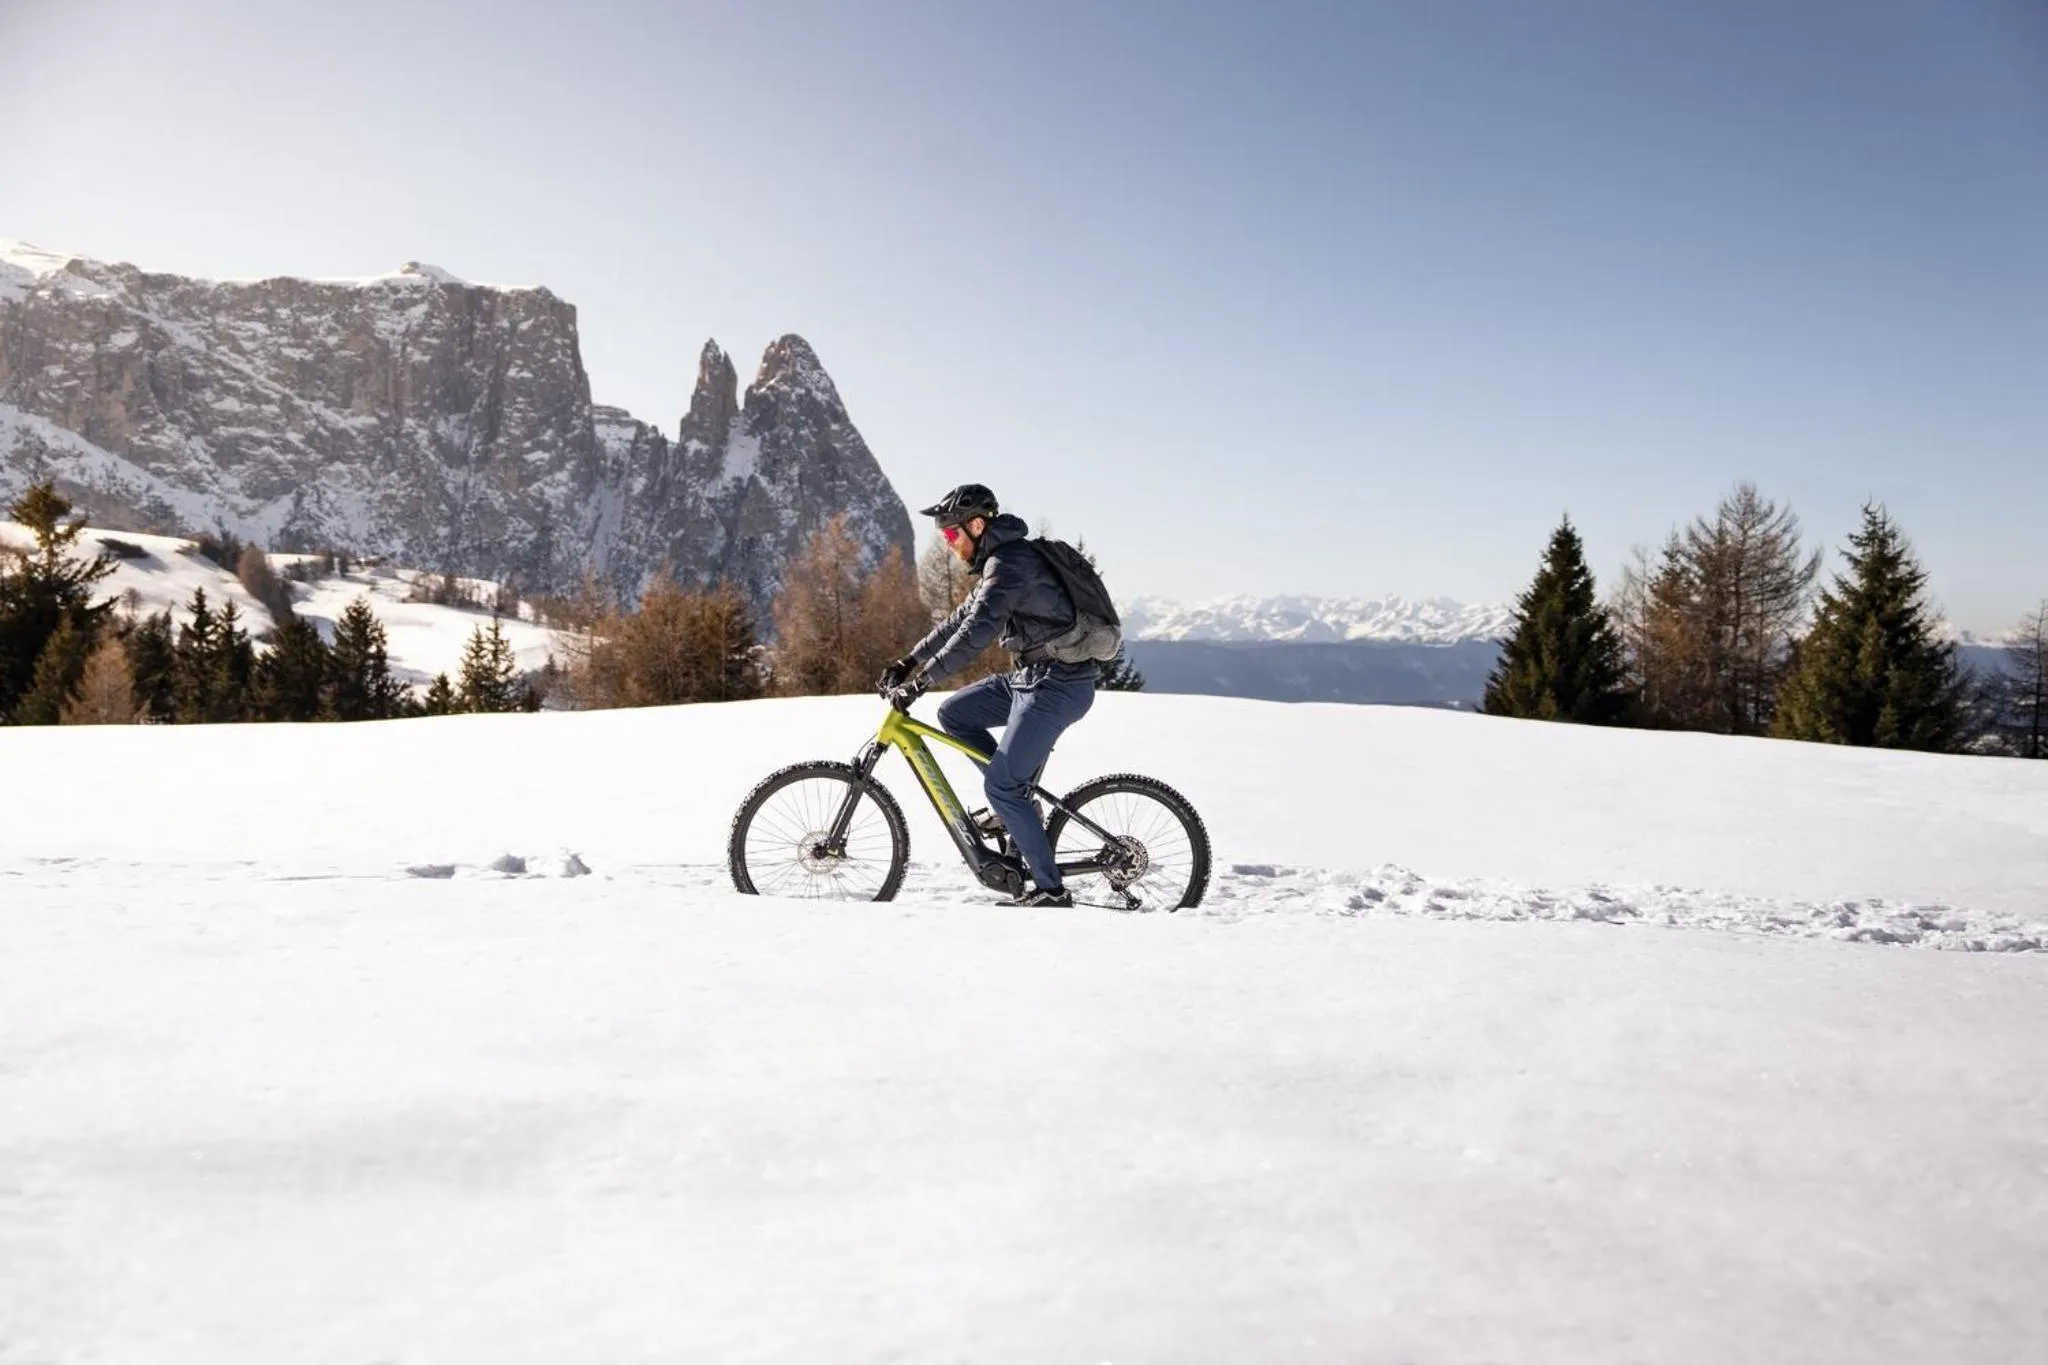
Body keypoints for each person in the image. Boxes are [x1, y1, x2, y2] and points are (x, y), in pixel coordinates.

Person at [878, 484, 1098, 907]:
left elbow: (978, 632)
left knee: (1001, 787)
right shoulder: (999, 563)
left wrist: (923, 682)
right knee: (956, 714)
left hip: (1059, 684)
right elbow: (961, 619)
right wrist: (909, 661)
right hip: (1032, 677)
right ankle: (1020, 809)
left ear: (977, 525)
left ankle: (1051, 890)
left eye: (950, 534)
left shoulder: (1012, 563)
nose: (948, 543)